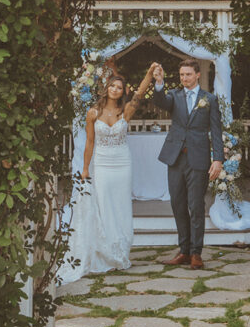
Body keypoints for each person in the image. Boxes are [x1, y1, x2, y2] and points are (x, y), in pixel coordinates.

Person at [59, 63, 157, 283]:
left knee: (121, 206)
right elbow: (89, 144)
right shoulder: (92, 113)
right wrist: (85, 169)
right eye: (112, 86)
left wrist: (149, 74)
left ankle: (120, 252)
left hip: (123, 163)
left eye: (119, 87)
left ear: (123, 92)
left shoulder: (126, 111)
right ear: (107, 88)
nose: (115, 90)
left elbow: (140, 94)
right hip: (102, 164)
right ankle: (106, 252)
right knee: (104, 206)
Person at [153, 58, 224, 270]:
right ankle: (183, 251)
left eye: (188, 74)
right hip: (175, 158)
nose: (184, 78)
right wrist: (159, 83)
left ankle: (196, 253)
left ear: (197, 75)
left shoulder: (209, 99)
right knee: (178, 204)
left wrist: (218, 159)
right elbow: (160, 102)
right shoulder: (173, 95)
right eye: (182, 74)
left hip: (199, 158)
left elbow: (216, 131)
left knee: (196, 205)